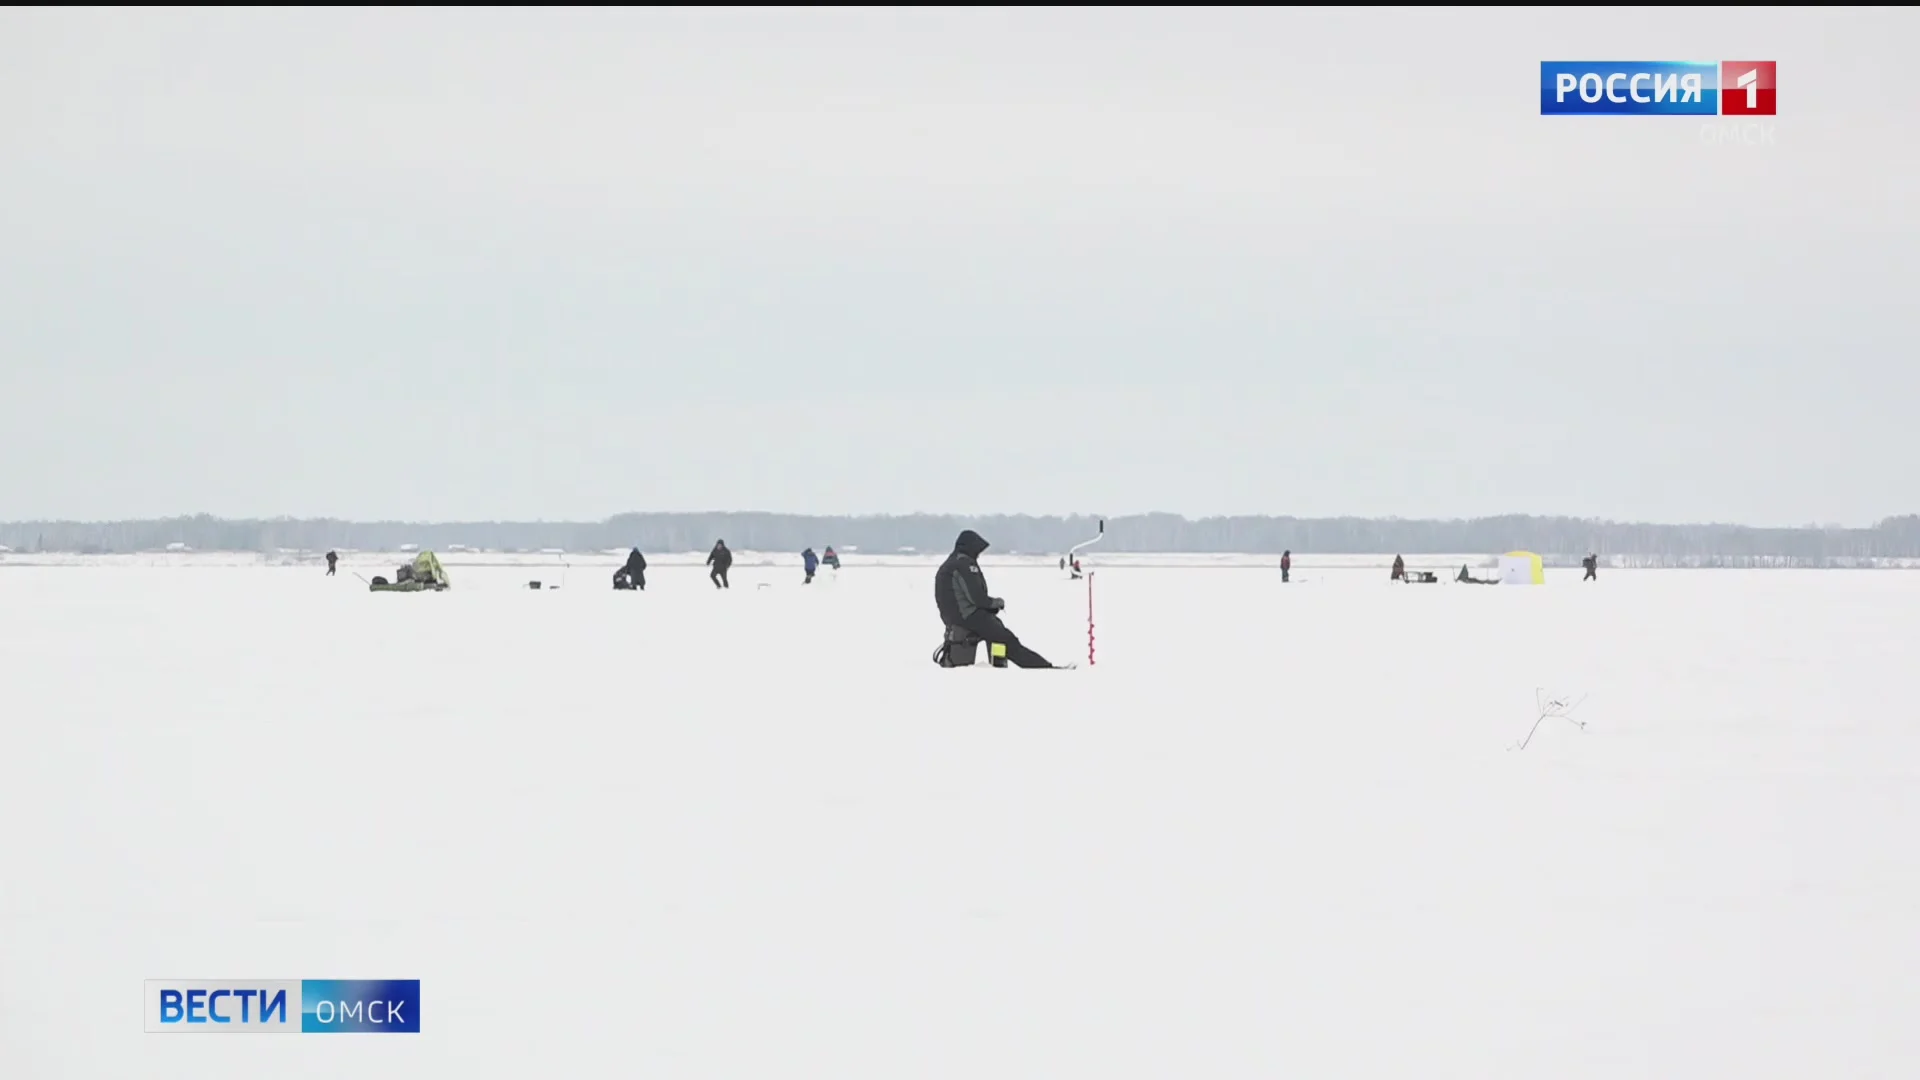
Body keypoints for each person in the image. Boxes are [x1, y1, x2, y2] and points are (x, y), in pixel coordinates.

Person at [934, 529, 1056, 668]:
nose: (979, 555)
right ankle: (1042, 667)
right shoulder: (965, 564)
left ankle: (998, 666)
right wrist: (996, 603)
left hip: (953, 618)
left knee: (995, 632)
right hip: (968, 616)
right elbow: (978, 598)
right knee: (1006, 639)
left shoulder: (950, 563)